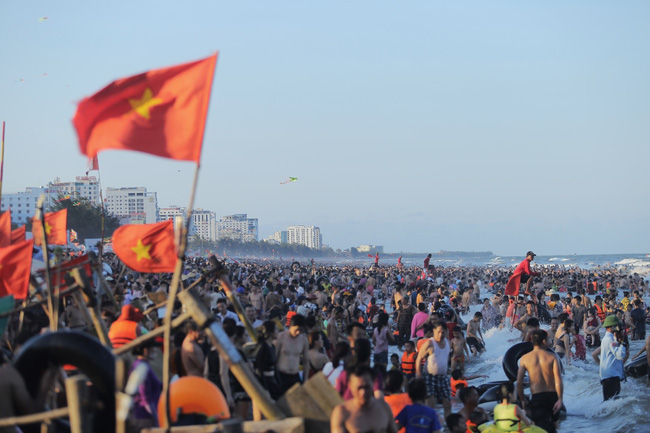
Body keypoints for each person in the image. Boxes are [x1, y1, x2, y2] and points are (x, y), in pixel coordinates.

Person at [516, 329, 563, 433]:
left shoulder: (525, 358)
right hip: (552, 396)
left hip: (537, 397)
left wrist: (522, 400)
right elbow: (558, 380)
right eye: (548, 339)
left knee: (538, 428)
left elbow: (519, 382)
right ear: (544, 341)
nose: (550, 341)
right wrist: (560, 399)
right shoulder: (552, 357)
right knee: (555, 427)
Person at [331, 366, 396, 433]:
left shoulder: (384, 408)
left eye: (366, 387)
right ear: (350, 386)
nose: (363, 392)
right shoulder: (342, 412)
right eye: (359, 388)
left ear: (373, 384)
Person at [415, 322, 451, 418]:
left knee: (447, 404)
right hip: (429, 377)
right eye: (438, 332)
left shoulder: (448, 343)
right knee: (430, 404)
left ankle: (448, 425)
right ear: (434, 331)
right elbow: (418, 360)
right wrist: (419, 377)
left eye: (443, 332)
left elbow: (446, 359)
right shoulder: (429, 344)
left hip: (443, 377)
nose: (440, 334)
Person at [592, 315, 626, 401]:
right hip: (611, 376)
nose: (619, 328)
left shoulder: (607, 338)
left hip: (608, 375)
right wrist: (622, 343)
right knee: (612, 401)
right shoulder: (610, 340)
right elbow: (620, 355)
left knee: (609, 401)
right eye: (617, 326)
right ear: (612, 327)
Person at [275, 314, 310, 394]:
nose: (298, 332)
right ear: (291, 326)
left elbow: (306, 361)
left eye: (300, 330)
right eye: (296, 330)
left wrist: (305, 380)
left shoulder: (303, 340)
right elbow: (275, 358)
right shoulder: (281, 337)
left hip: (295, 376)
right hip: (281, 375)